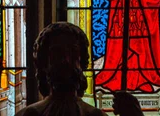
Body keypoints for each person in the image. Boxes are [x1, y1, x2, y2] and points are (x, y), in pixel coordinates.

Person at [15, 22, 143, 116]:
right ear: (43, 62)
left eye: (73, 53)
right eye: (57, 53)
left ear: (81, 61)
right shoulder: (29, 114)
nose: (65, 60)